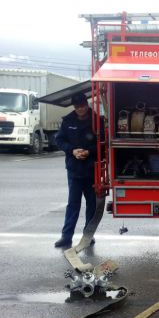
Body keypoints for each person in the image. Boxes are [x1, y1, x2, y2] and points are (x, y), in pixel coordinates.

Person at [53, 92, 99, 248]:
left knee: (92, 205)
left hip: (92, 169)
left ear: (87, 105)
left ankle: (88, 235)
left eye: (83, 106)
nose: (81, 109)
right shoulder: (68, 121)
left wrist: (89, 151)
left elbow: (103, 144)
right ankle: (66, 237)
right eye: (78, 107)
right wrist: (72, 150)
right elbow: (59, 140)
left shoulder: (97, 120)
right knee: (73, 204)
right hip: (74, 169)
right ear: (74, 107)